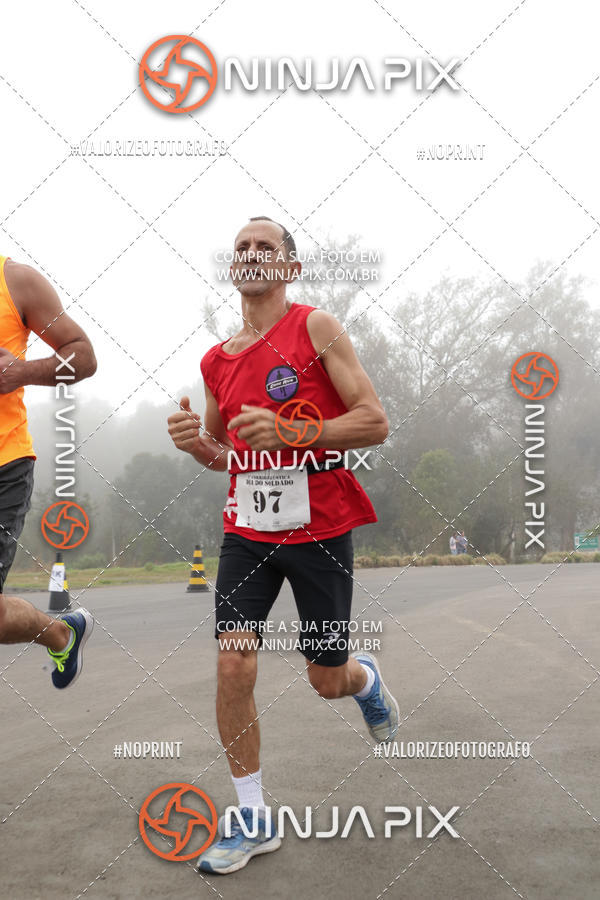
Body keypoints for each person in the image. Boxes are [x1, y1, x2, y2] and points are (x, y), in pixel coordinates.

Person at [168, 216, 399, 875]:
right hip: (246, 532)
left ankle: (363, 680)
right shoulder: (217, 360)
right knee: (233, 665)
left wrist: (294, 433)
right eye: (241, 247)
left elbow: (374, 422)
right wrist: (195, 444)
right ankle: (251, 819)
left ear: (289, 268)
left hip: (320, 526)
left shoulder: (315, 329)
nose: (250, 255)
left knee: (326, 679)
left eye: (264, 247)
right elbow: (223, 453)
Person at [0, 256, 96, 687]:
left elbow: (83, 355)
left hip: (4, 463)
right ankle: (61, 633)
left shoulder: (15, 281)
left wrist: (19, 372)